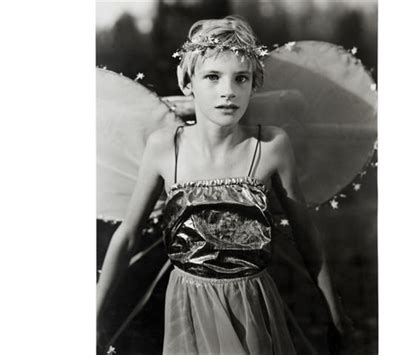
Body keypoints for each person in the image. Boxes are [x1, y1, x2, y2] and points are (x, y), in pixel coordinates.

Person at [97, 15, 353, 354]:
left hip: (253, 304)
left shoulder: (270, 146)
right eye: (213, 77)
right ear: (189, 83)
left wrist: (334, 311)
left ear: (254, 84)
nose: (228, 92)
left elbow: (305, 235)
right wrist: (94, 314)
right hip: (188, 304)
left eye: (240, 79)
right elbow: (127, 236)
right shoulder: (165, 146)